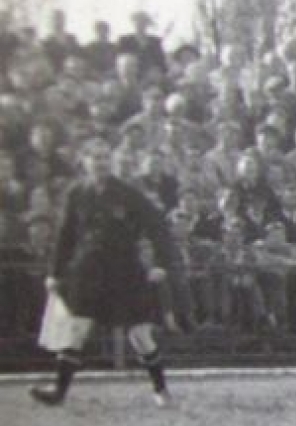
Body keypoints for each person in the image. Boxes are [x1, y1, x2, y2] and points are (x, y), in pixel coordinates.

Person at [30, 139, 185, 409]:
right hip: (88, 272)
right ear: (85, 161)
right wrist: (55, 272)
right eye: (95, 158)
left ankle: (161, 391)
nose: (100, 163)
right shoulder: (77, 193)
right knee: (76, 328)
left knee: (139, 335)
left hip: (124, 272)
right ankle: (58, 392)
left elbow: (157, 226)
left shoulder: (128, 193)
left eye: (105, 157)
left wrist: (162, 264)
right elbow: (66, 236)